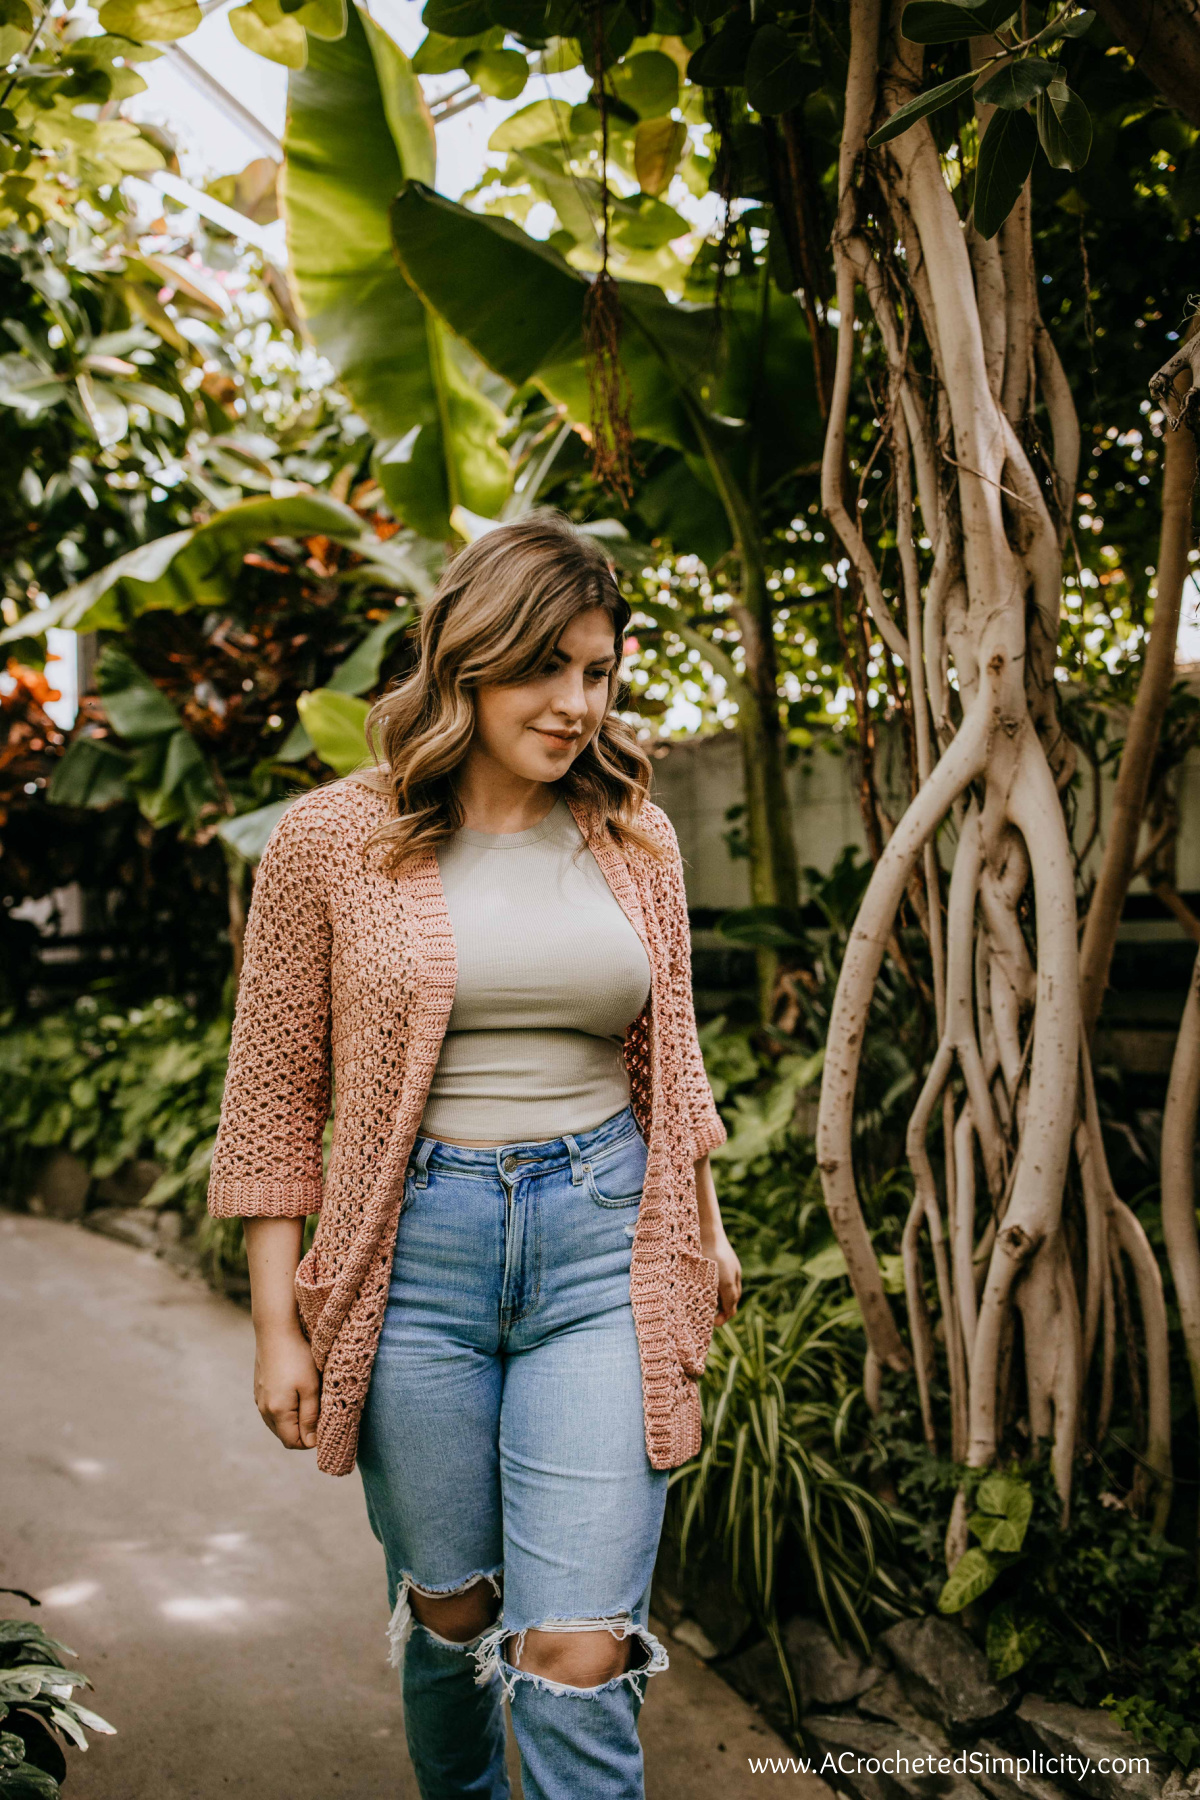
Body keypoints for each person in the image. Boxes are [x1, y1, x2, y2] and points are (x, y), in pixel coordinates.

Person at [207, 509, 742, 1800]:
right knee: (454, 1620)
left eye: (598, 670)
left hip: (600, 1251)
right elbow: (276, 1095)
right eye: (543, 665)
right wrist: (281, 1324)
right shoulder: (335, 838)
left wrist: (704, 1225)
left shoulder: (635, 838)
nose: (575, 702)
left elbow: (668, 1057)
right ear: (468, 659)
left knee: (573, 1649)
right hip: (418, 1268)